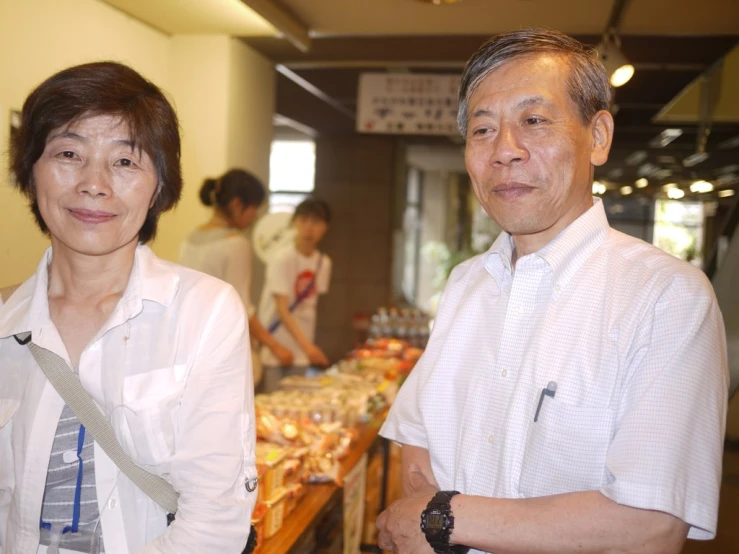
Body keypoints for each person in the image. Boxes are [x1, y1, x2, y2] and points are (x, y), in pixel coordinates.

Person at [376, 28, 728, 554]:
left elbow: (652, 525)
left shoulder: (666, 297)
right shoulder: (465, 284)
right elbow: (419, 438)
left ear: (599, 136)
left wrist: (442, 518)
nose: (505, 152)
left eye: (534, 121)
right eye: (482, 130)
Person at [0, 61, 256, 553]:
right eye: (69, 153)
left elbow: (215, 521)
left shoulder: (203, 313)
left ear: (159, 186)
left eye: (125, 162)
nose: (94, 183)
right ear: (30, 173)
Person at [179, 169, 294, 386]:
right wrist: (275, 346)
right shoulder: (236, 244)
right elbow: (242, 307)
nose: (254, 217)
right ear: (237, 204)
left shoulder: (190, 240)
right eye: (254, 209)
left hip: (191, 347)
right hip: (224, 349)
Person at [257, 198, 332, 392]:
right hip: (278, 349)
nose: (309, 228)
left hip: (303, 349)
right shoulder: (281, 258)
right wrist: (308, 347)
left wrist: (307, 348)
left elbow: (309, 305)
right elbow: (282, 309)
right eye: (304, 220)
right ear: (295, 223)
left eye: (316, 222)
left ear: (325, 227)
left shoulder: (323, 263)